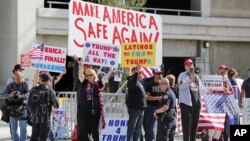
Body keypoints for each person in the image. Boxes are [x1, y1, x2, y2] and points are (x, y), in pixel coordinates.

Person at [73, 58, 106, 141]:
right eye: (87, 75)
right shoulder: (83, 83)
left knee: (95, 131)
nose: (88, 77)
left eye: (90, 75)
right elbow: (80, 75)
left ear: (94, 75)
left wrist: (112, 69)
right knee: (84, 131)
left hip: (95, 111)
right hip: (85, 111)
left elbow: (104, 79)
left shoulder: (97, 84)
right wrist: (81, 64)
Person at [28, 73, 59, 141]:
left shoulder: (33, 89)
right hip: (45, 120)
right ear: (48, 81)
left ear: (40, 80)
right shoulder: (50, 91)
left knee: (34, 138)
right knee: (43, 138)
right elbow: (56, 105)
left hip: (35, 119)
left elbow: (29, 103)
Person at [178, 59, 202, 141]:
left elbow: (201, 89)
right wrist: (190, 79)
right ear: (185, 67)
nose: (190, 67)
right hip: (186, 104)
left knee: (194, 126)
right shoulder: (182, 75)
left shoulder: (197, 76)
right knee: (187, 127)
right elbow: (181, 87)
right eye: (188, 65)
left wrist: (211, 90)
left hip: (196, 104)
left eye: (191, 65)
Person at [4, 71, 29, 141]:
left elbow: (29, 93)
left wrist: (21, 96)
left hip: (22, 109)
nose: (17, 80)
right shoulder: (10, 85)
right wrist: (10, 95)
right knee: (13, 129)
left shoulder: (25, 85)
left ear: (22, 78)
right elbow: (3, 95)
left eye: (19, 79)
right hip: (12, 109)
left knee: (23, 129)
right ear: (14, 78)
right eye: (16, 79)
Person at [126, 64, 147, 141]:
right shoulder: (131, 80)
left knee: (138, 129)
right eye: (139, 72)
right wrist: (136, 73)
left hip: (140, 109)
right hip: (134, 109)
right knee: (132, 128)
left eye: (141, 72)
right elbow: (132, 85)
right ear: (135, 72)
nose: (141, 74)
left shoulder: (140, 82)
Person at [143, 69, 163, 141]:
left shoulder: (163, 84)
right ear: (154, 75)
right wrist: (158, 98)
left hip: (162, 108)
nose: (159, 75)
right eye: (157, 73)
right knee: (149, 127)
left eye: (160, 73)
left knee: (161, 128)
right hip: (151, 107)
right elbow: (147, 97)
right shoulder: (150, 84)